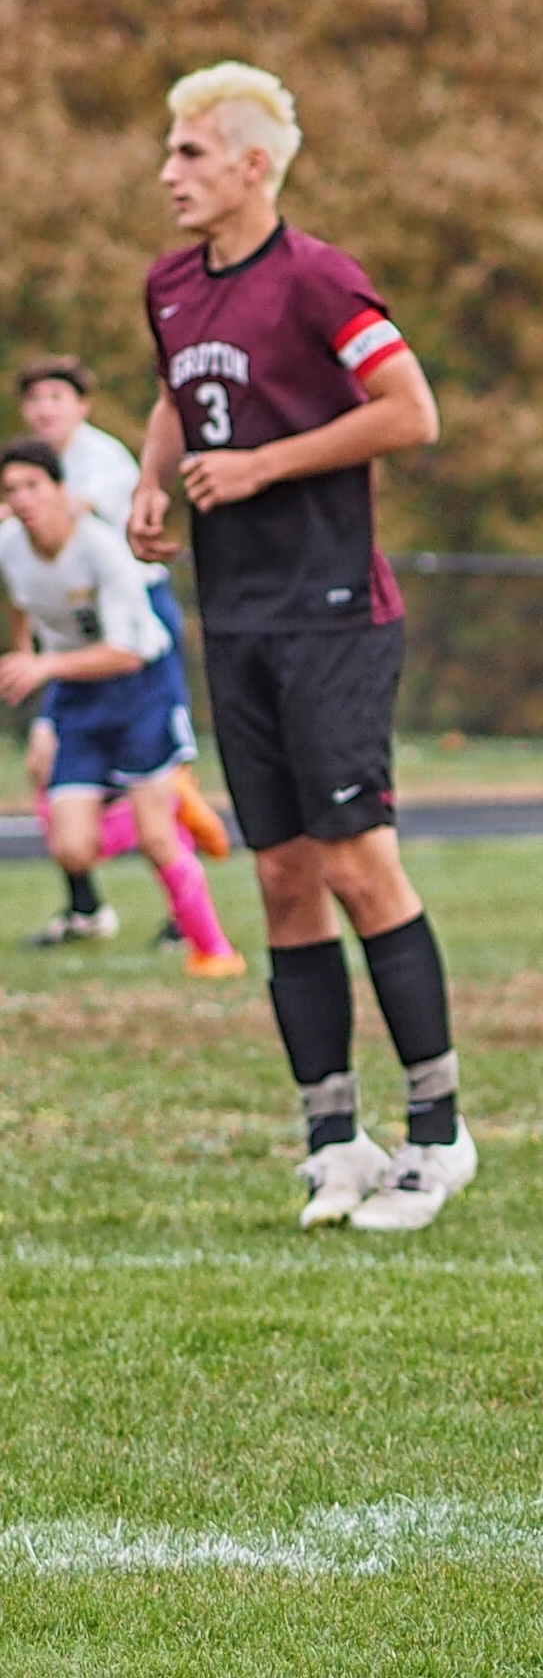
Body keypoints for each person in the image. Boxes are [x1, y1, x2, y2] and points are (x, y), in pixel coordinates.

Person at [127, 61, 473, 1233]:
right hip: (236, 615)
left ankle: (438, 1133)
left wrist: (262, 467)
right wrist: (150, 484)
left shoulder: (317, 276)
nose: (170, 173)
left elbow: (412, 412)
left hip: (332, 611)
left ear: (252, 165)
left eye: (189, 153)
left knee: (357, 863)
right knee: (280, 874)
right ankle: (336, 1137)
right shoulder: (171, 285)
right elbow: (176, 396)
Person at [0, 438, 244, 976]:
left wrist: (42, 666)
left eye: (33, 486)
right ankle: (170, 800)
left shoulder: (101, 549)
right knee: (73, 849)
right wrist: (23, 653)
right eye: (10, 489)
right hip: (78, 690)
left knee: (157, 838)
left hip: (140, 689)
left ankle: (215, 953)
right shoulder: (10, 546)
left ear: (61, 489)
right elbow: (19, 600)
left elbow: (127, 653)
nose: (21, 499)